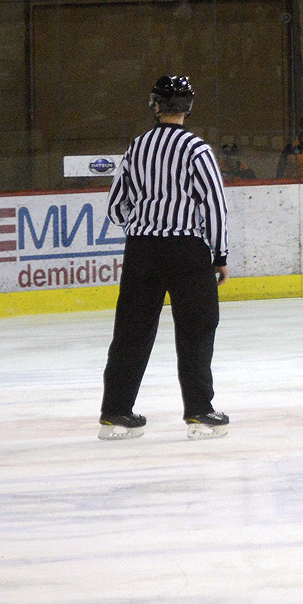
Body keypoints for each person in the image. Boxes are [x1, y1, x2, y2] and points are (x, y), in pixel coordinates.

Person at [98, 75, 230, 440]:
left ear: (155, 105)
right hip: (187, 251)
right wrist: (219, 254)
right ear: (188, 107)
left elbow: (114, 208)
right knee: (196, 329)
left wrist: (141, 223)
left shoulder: (136, 148)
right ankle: (200, 413)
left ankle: (115, 414)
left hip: (141, 250)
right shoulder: (196, 150)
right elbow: (215, 206)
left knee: (131, 332)